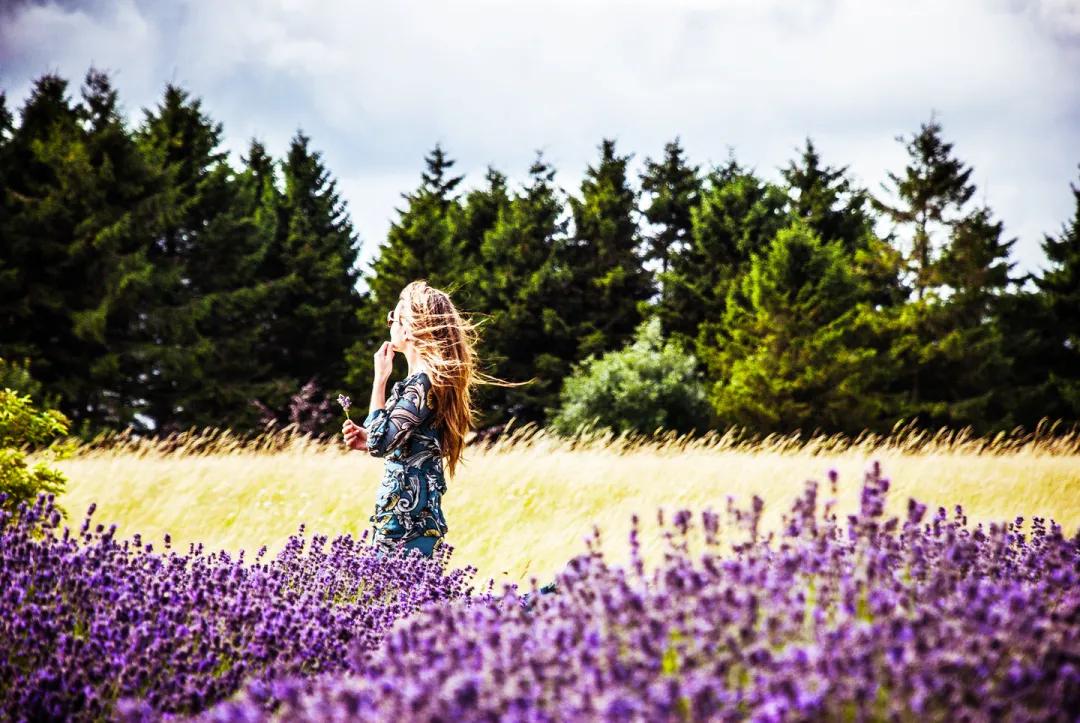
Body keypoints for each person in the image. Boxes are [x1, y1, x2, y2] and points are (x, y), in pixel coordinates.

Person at [342, 280, 520, 560]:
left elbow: (379, 443)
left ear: (409, 327)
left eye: (394, 317)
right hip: (418, 518)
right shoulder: (427, 383)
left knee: (391, 601)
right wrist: (370, 439)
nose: (390, 324)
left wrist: (379, 380)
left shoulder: (421, 385)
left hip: (402, 523)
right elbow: (396, 444)